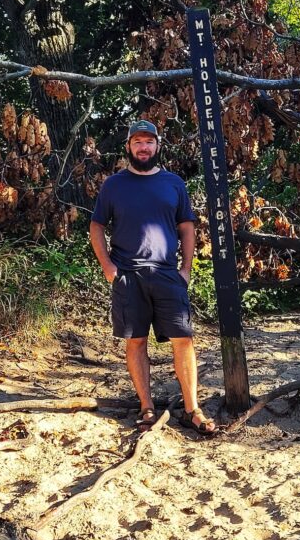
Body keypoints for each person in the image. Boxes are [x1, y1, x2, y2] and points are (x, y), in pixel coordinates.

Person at [89, 119, 216, 434]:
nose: (143, 147)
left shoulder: (173, 183)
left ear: (158, 145)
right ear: (129, 147)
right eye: (137, 142)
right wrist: (108, 267)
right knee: (136, 340)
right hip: (128, 275)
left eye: (149, 142)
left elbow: (187, 227)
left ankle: (192, 409)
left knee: (183, 340)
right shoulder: (114, 185)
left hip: (166, 273)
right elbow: (96, 226)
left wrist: (185, 269)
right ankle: (146, 407)